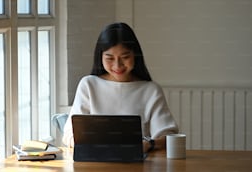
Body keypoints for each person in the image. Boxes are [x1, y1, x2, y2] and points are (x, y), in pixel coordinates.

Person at [62, 22, 178, 152]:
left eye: (125, 57)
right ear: (100, 57)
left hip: (137, 162)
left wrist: (147, 144)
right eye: (109, 58)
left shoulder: (150, 90)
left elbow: (168, 137)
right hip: (95, 161)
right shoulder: (88, 85)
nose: (117, 65)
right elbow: (69, 135)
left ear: (135, 55)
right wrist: (85, 143)